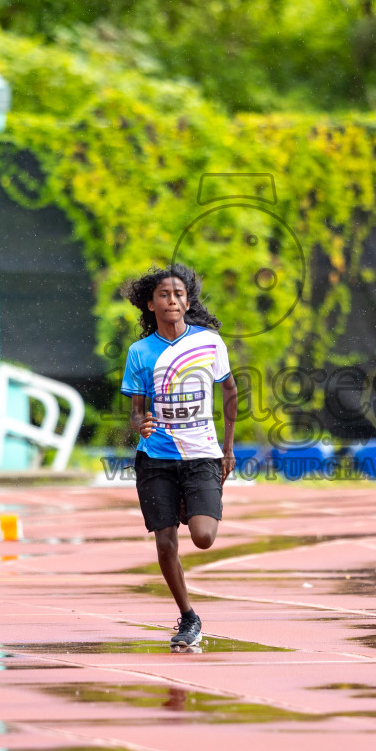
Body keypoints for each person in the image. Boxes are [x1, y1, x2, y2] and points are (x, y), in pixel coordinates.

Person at [120, 264, 237, 651]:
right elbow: (137, 410)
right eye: (165, 296)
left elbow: (230, 393)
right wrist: (141, 424)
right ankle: (188, 616)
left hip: (202, 452)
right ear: (151, 303)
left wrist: (229, 447)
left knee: (203, 537)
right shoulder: (140, 352)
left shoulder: (209, 342)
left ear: (188, 301)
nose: (173, 301)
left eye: (179, 295)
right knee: (166, 543)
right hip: (155, 457)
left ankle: (190, 503)